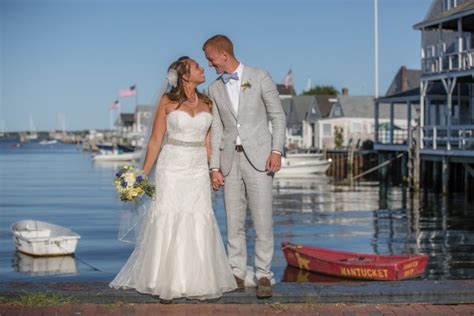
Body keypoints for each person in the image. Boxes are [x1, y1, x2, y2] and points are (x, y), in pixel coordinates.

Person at [110, 56, 237, 302]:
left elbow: (209, 142)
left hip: (198, 168)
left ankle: (198, 280)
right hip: (171, 167)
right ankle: (163, 281)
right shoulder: (166, 101)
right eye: (197, 66)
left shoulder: (207, 102)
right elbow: (156, 140)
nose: (203, 69)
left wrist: (214, 169)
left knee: (198, 216)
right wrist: (142, 174)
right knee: (169, 215)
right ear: (185, 75)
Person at [203, 35, 286, 298]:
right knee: (233, 219)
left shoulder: (260, 76)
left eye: (210, 58)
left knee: (262, 219)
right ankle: (236, 271)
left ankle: (263, 274)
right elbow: (216, 128)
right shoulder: (213, 89)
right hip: (229, 160)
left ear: (224, 55)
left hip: (261, 159)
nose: (209, 64)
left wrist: (276, 150)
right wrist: (214, 166)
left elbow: (278, 116)